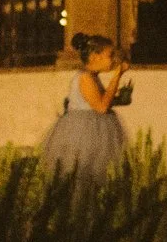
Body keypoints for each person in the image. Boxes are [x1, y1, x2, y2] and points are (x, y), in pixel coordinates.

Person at [42, 33, 129, 184]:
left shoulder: (93, 77)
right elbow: (101, 107)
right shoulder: (85, 77)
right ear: (96, 57)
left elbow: (99, 102)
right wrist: (117, 76)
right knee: (83, 172)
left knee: (97, 172)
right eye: (110, 55)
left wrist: (119, 99)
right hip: (84, 130)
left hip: (94, 127)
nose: (113, 59)